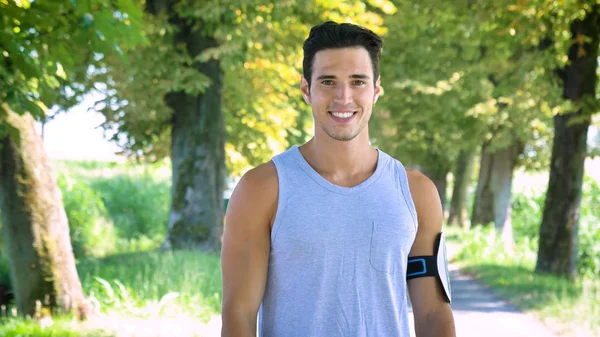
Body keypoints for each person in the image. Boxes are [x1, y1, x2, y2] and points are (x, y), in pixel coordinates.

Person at [221, 21, 456, 337]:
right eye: (328, 81)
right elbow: (239, 317)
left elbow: (433, 314)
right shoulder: (261, 189)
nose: (343, 97)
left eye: (358, 82)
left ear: (376, 90)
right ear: (307, 89)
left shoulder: (417, 193)